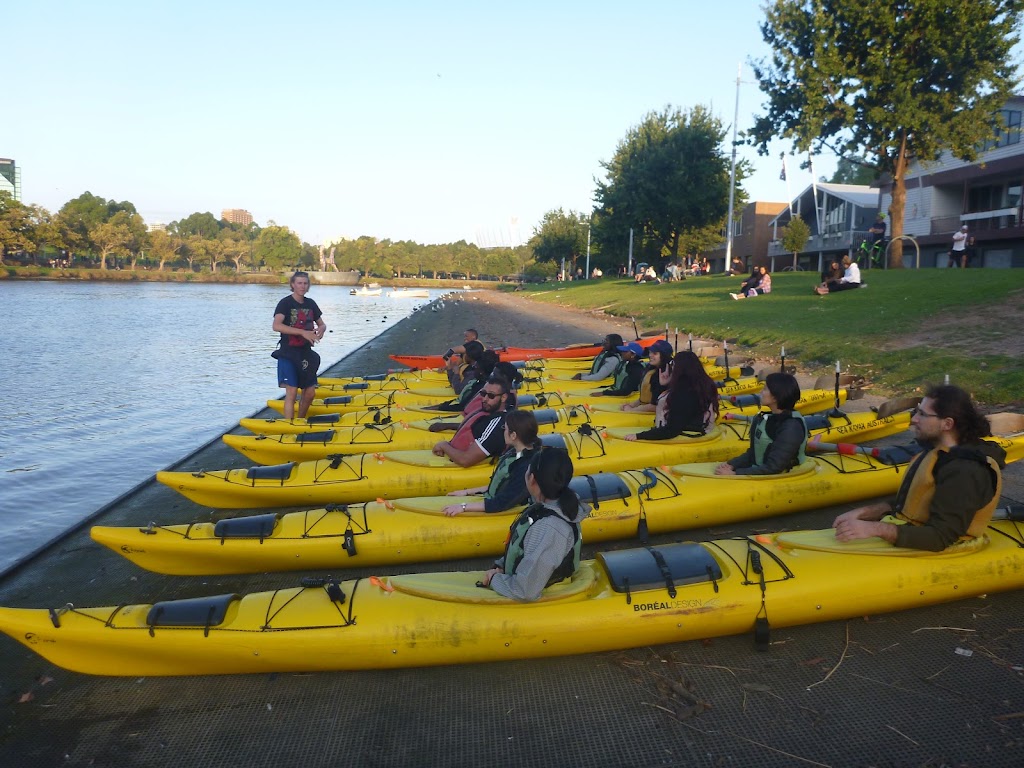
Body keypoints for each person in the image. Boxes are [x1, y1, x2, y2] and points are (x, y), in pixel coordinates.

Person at [833, 385, 1006, 551]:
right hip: (912, 530)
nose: (914, 419)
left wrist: (875, 529)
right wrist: (865, 513)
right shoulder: (939, 451)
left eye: (922, 414)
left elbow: (940, 538)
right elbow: (915, 502)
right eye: (917, 412)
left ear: (947, 424)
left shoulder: (965, 471)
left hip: (944, 549)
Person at [481, 447, 590, 601]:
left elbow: (525, 591)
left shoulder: (550, 528)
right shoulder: (547, 506)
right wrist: (501, 566)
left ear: (531, 479)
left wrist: (494, 580)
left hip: (543, 595)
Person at [442, 410, 541, 516]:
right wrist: (466, 492)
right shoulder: (513, 453)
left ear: (513, 435)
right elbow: (497, 485)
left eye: (505, 429)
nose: (503, 431)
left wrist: (463, 507)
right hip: (490, 499)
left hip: (503, 510)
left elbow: (501, 503)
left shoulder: (525, 466)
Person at [715, 372, 807, 475]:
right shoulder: (771, 418)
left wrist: (735, 474)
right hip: (764, 471)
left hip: (783, 476)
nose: (761, 392)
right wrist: (732, 464)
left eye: (765, 389)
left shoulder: (791, 427)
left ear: (775, 397)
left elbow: (775, 467)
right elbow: (754, 454)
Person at [623, 351, 719, 441]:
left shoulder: (684, 393)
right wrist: (664, 384)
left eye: (673, 365)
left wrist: (639, 436)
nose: (671, 367)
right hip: (693, 429)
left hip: (686, 435)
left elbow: (672, 430)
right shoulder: (698, 384)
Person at [272, 271, 328, 419]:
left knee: (310, 393)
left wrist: (321, 329)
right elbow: (276, 325)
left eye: (305, 283)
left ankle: (300, 420)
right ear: (293, 285)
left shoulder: (311, 304)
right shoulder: (285, 303)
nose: (302, 286)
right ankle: (289, 425)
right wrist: (302, 332)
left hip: (305, 353)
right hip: (288, 352)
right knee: (292, 391)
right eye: (299, 283)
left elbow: (322, 324)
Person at [431, 374, 510, 467]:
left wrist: (444, 445)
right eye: (483, 394)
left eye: (491, 396)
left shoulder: (497, 424)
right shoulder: (487, 413)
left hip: (463, 465)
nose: (485, 399)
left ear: (503, 397)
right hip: (453, 458)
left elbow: (465, 460)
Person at [620, 339, 673, 413]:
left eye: (655, 353)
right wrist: (631, 405)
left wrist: (631, 410)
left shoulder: (665, 376)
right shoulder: (652, 370)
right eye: (650, 352)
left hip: (655, 414)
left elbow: (655, 406)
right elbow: (643, 399)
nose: (650, 355)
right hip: (645, 409)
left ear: (664, 356)